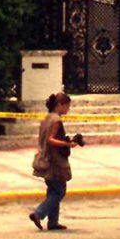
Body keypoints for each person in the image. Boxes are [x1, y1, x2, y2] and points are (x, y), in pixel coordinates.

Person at [29, 92, 75, 231]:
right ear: (59, 105)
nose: (68, 109)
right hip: (54, 161)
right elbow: (51, 139)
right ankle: (39, 213)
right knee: (60, 191)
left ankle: (53, 222)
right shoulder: (56, 120)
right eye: (67, 106)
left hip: (44, 158)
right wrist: (67, 144)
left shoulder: (46, 119)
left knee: (53, 191)